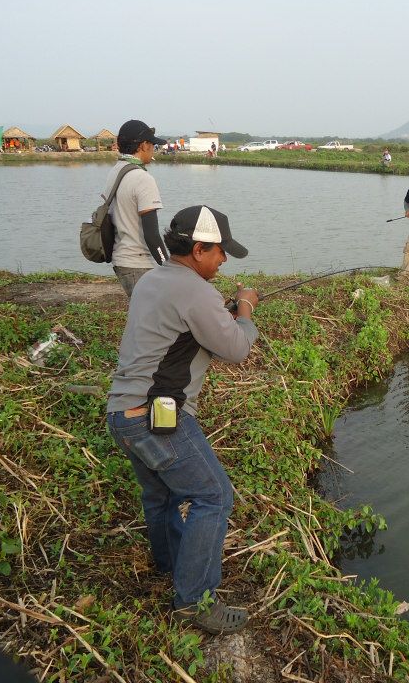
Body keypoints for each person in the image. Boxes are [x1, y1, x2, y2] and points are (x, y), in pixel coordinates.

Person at [106, 205, 259, 635]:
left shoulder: (152, 279)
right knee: (215, 496)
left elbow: (181, 330)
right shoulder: (197, 292)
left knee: (163, 496)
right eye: (220, 252)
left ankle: (168, 566)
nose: (224, 260)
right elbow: (237, 348)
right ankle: (194, 602)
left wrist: (220, 314)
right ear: (197, 249)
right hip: (158, 419)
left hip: (123, 415)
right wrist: (245, 310)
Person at [107, 120, 169, 296]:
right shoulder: (142, 178)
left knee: (142, 315)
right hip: (138, 262)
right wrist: (169, 267)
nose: (153, 150)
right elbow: (151, 235)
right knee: (151, 319)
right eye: (153, 145)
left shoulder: (116, 171)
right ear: (143, 146)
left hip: (121, 258)